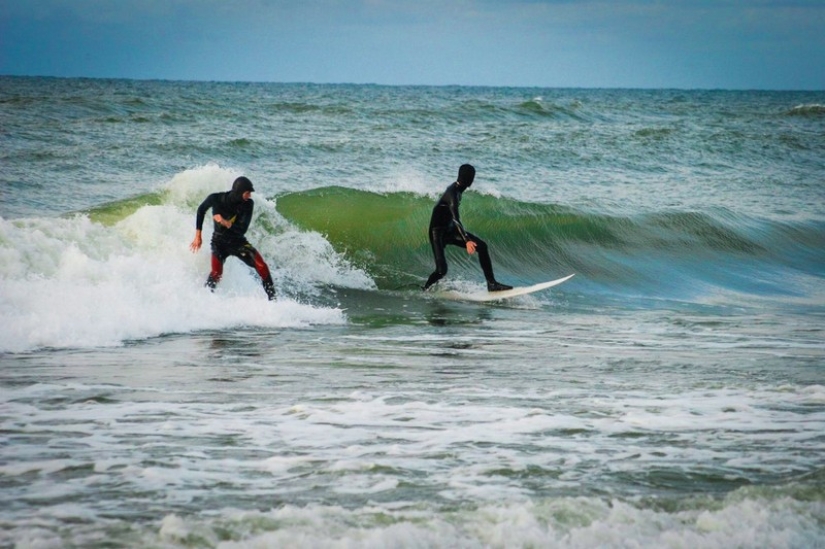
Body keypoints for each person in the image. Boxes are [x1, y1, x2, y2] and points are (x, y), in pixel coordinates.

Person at [423, 164, 512, 292]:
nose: (473, 180)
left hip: (449, 229)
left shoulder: (458, 190)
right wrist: (467, 240)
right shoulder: (452, 193)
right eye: (472, 177)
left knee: (482, 246)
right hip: (437, 232)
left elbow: (453, 220)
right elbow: (455, 218)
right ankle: (425, 290)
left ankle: (492, 284)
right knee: (441, 270)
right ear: (469, 179)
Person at [189, 176, 276, 300]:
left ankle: (273, 300)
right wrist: (198, 236)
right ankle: (204, 299)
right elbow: (201, 210)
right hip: (219, 242)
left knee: (262, 266)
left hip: (238, 242)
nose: (249, 196)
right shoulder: (216, 199)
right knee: (216, 274)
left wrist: (225, 222)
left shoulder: (248, 204)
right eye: (247, 193)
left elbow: (242, 229)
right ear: (239, 192)